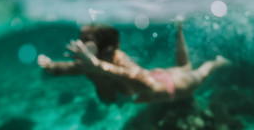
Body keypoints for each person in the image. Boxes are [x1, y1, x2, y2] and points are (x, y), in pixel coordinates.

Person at [38, 22, 231, 103]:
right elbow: (70, 68)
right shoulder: (88, 63)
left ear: (106, 49)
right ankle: (179, 29)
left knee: (199, 73)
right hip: (153, 77)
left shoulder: (115, 59)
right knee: (185, 66)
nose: (83, 52)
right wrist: (51, 66)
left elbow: (146, 83)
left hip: (167, 86)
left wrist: (99, 66)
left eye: (87, 46)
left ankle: (217, 62)